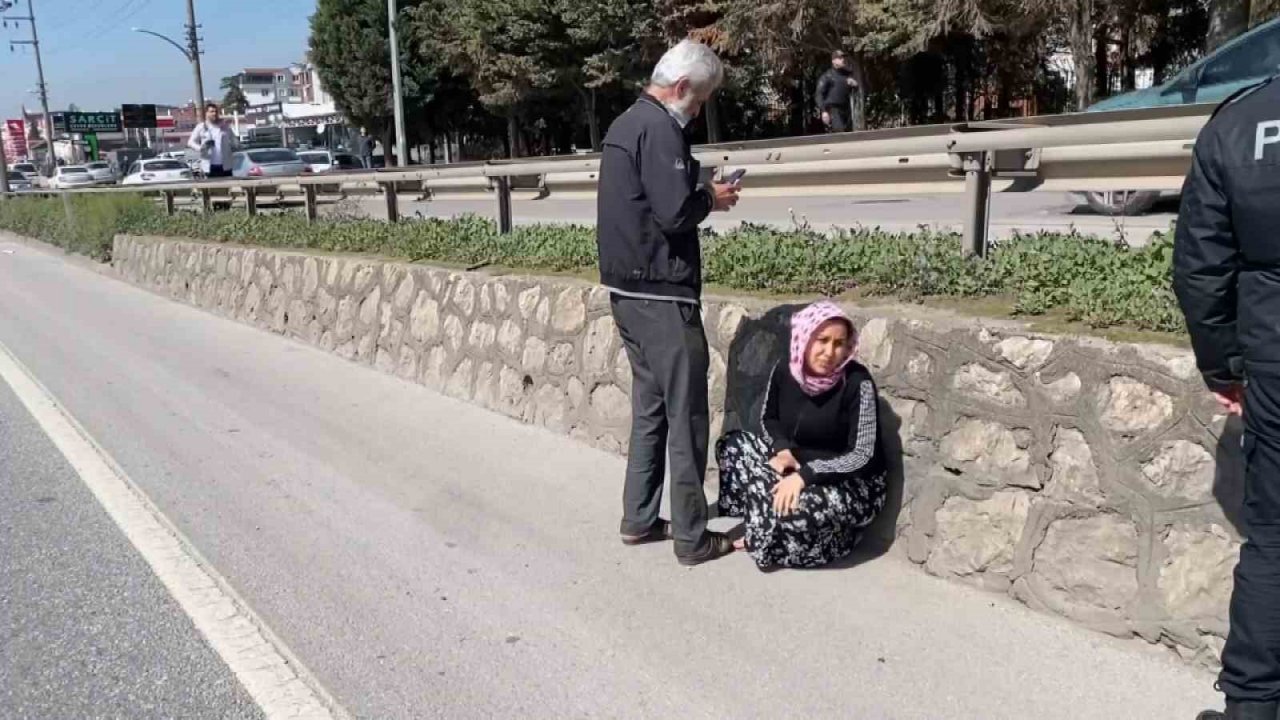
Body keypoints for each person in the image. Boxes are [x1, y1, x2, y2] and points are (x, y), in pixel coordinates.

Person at [596, 39, 742, 566]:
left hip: (627, 294)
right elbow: (675, 213)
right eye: (699, 100)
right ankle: (692, 536)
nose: (698, 111)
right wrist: (712, 197)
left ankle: (638, 518)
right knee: (687, 418)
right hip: (662, 294)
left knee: (650, 409)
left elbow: (644, 198)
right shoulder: (661, 128)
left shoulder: (624, 125)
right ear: (681, 88)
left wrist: (693, 185)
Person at [1174, 77, 1280, 720]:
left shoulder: (1239, 123)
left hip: (1274, 358)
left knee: (1273, 542)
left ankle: (1252, 709)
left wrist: (1224, 370)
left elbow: (1201, 267)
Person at [715, 301, 887, 569]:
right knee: (734, 447)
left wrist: (806, 477)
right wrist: (782, 450)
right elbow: (768, 418)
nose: (830, 352)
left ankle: (831, 540)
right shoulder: (786, 369)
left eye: (838, 343)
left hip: (849, 482)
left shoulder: (857, 382)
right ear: (804, 337)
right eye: (822, 340)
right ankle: (766, 517)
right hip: (794, 462)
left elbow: (862, 455)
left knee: (797, 506)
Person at [187, 103, 236, 178]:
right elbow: (190, 142)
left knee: (227, 187)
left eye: (216, 111)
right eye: (212, 111)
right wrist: (201, 148)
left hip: (225, 166)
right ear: (206, 113)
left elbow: (234, 141)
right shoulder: (201, 127)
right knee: (212, 188)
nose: (214, 113)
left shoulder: (225, 127)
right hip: (209, 166)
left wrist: (234, 147)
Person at [815, 50, 859, 133]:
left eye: (843, 58)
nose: (843, 60)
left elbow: (855, 91)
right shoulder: (828, 76)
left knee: (848, 133)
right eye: (840, 58)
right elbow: (819, 95)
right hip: (833, 110)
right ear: (833, 61)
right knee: (840, 132)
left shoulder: (847, 74)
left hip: (846, 109)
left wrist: (855, 85)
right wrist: (824, 111)